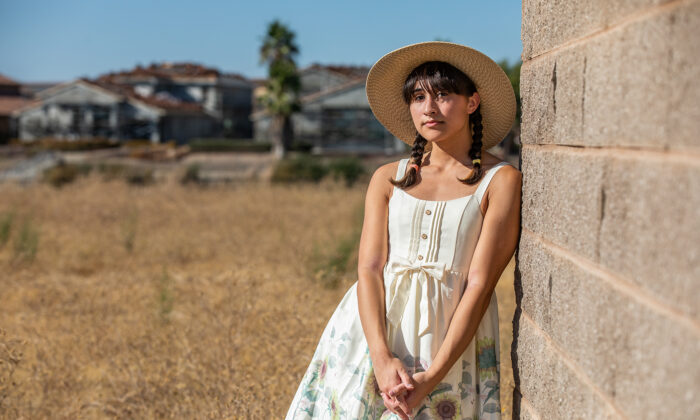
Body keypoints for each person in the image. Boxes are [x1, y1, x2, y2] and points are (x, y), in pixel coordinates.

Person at [285, 41, 521, 420]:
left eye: (443, 95)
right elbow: (369, 269)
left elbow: (480, 284)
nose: (429, 108)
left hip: (449, 343)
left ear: (472, 102)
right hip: (371, 336)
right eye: (418, 97)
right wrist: (380, 358)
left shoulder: (500, 180)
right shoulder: (387, 178)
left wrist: (431, 378)